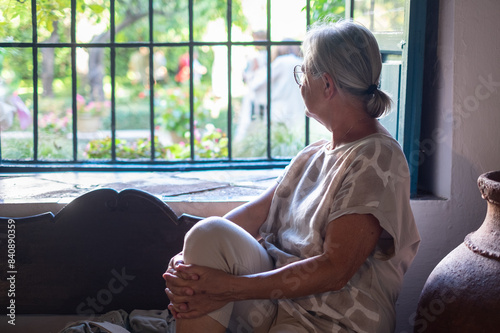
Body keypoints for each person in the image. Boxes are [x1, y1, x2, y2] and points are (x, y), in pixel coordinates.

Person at [163, 19, 420, 333]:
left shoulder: (378, 156)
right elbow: (254, 214)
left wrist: (229, 287)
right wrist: (186, 259)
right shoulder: (314, 154)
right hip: (280, 302)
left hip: (332, 320)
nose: (300, 84)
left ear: (327, 84)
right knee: (208, 233)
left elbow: (335, 270)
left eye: (303, 72)